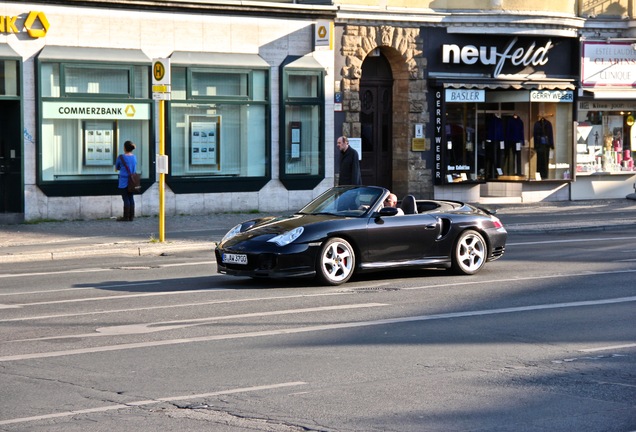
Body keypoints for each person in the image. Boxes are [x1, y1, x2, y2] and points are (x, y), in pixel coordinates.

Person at [115, 140, 137, 221]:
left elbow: (117, 167)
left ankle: (126, 217)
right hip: (132, 181)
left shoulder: (121, 157)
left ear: (124, 148)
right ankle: (131, 216)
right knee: (131, 197)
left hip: (123, 181)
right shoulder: (134, 157)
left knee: (125, 198)